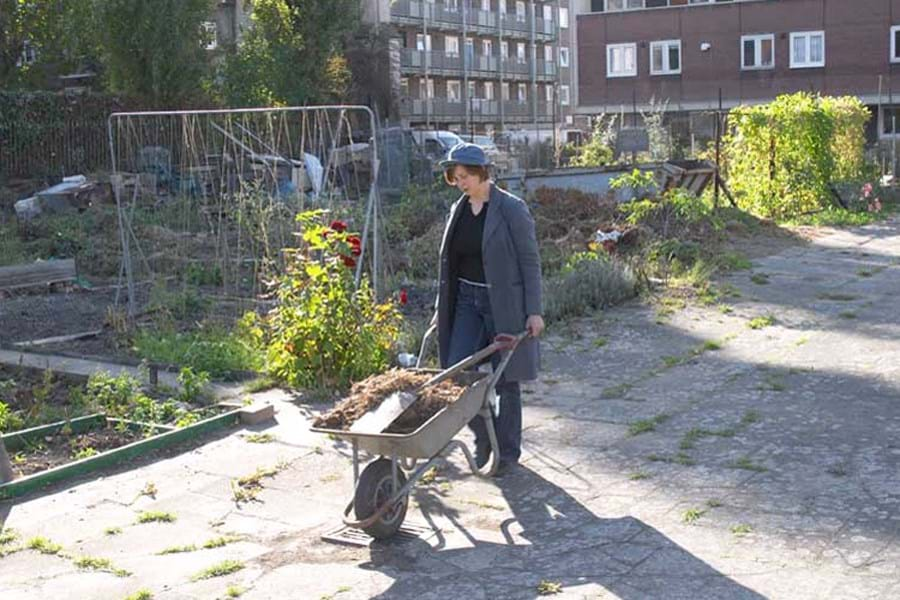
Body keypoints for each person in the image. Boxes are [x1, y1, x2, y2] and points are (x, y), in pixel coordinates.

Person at [434, 142, 544, 477]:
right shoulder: (460, 210)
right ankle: (485, 440)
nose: (460, 183)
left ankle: (507, 453)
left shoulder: (511, 209)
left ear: (483, 173)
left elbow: (529, 260)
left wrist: (534, 310)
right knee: (458, 374)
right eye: (455, 178)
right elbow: (450, 263)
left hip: (503, 304)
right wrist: (443, 308)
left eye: (464, 176)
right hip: (467, 301)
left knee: (505, 380)